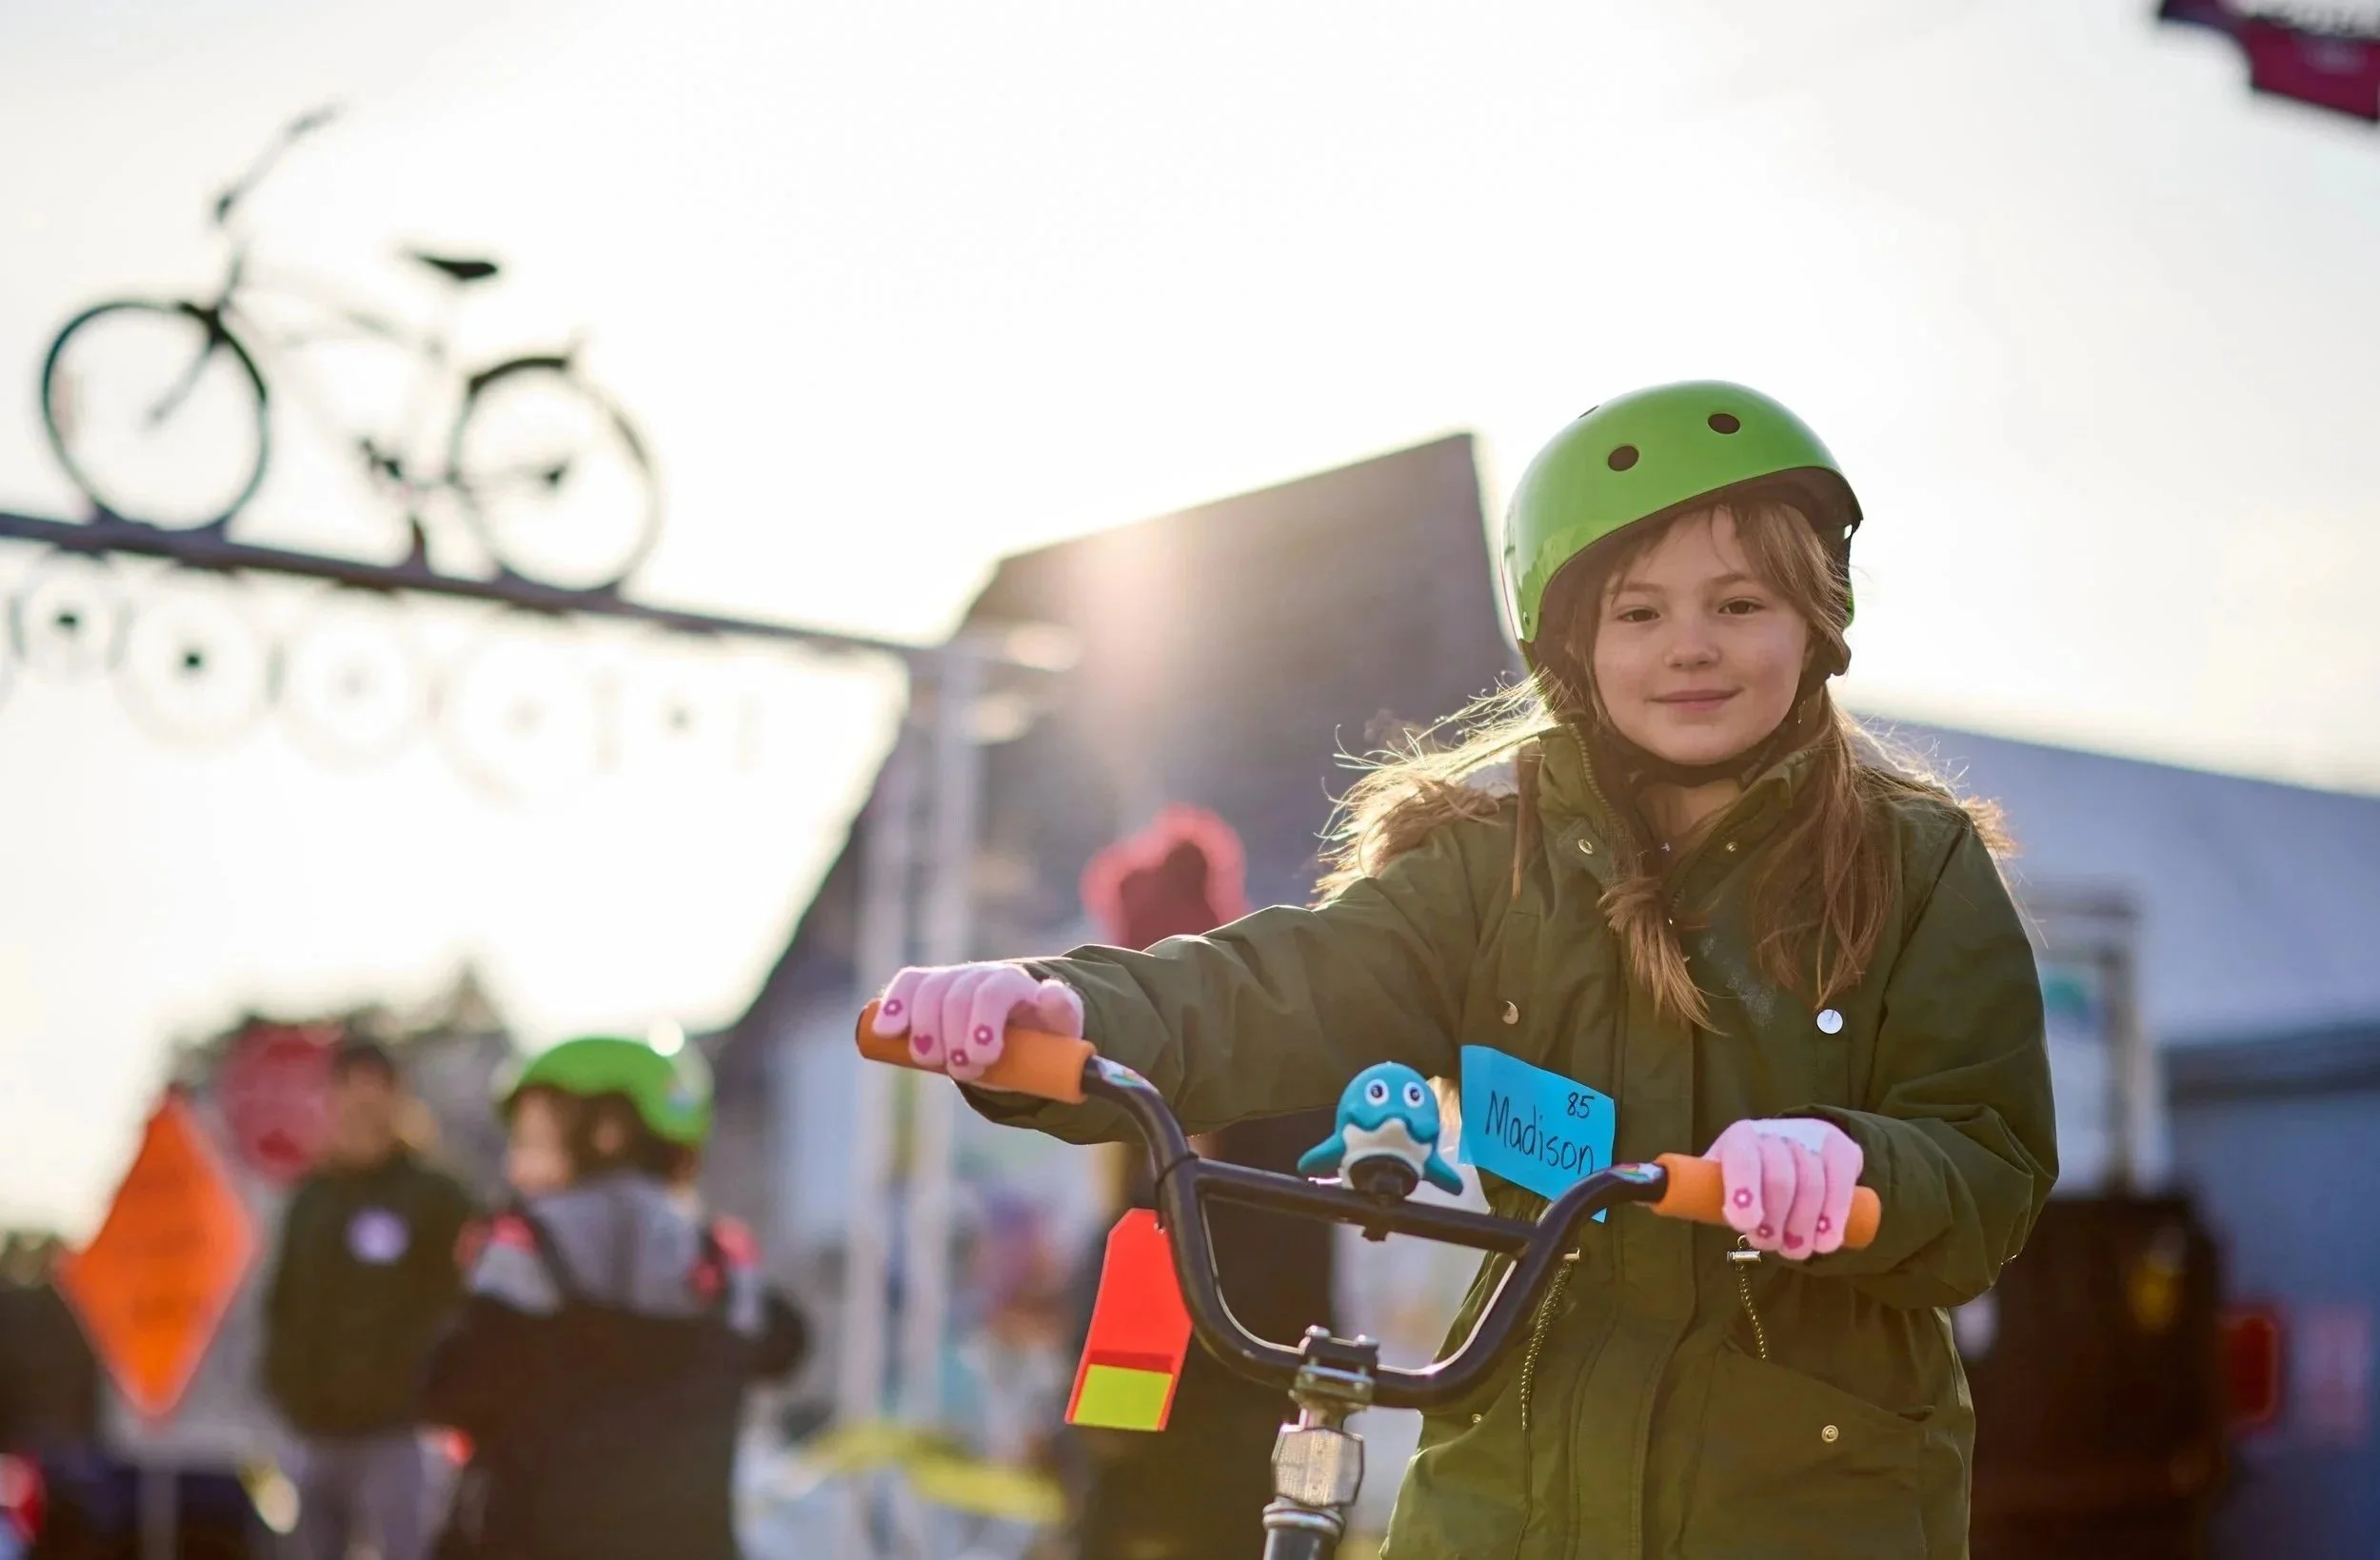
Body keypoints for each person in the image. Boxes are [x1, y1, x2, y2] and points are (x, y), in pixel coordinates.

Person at [869, 381, 2059, 1559]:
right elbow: (1277, 984)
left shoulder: (1911, 862)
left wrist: (1854, 1161)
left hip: (1800, 1498)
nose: (1690, 644)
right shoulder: (1492, 870)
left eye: (1739, 602)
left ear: (1816, 619)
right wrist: (1063, 1003)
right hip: (1509, 1493)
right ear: (1573, 646)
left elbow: (1986, 1159)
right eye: (1638, 612)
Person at [422, 1035, 807, 1560]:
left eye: (535, 1136)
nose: (516, 1163)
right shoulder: (718, 1262)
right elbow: (787, 1345)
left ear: (608, 1132)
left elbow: (446, 1391)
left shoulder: (528, 1245)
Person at [262, 1037, 477, 1560]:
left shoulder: (435, 1196)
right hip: (313, 1432)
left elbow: (469, 1303)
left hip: (399, 1433)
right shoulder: (311, 1199)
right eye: (348, 1086)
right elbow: (282, 1304)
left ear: (397, 1095)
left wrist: (434, 1393)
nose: (362, 1100)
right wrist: (287, 1390)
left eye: (374, 1085)